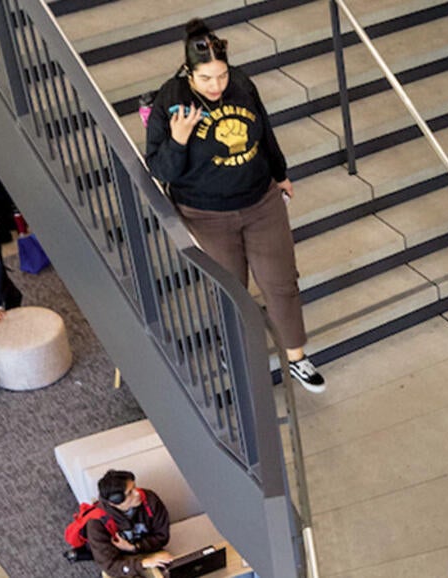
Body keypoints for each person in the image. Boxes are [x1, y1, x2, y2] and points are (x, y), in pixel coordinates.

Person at [143, 21, 325, 393]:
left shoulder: (241, 84)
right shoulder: (170, 99)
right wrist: (178, 139)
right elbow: (160, 169)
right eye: (206, 78)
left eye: (221, 75)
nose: (216, 85)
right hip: (205, 213)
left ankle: (296, 356)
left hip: (261, 201)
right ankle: (235, 348)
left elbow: (265, 131)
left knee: (281, 281)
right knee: (230, 289)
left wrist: (280, 172)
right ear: (189, 73)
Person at [85, 470, 178, 578]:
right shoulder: (96, 523)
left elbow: (162, 536)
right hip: (121, 561)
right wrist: (142, 563)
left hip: (146, 550)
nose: (137, 493)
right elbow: (110, 565)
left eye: (135, 486)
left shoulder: (150, 500)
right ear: (114, 502)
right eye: (130, 493)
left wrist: (134, 547)